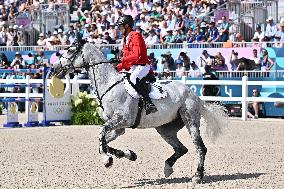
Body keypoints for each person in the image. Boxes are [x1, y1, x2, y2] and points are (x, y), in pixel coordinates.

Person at [115, 15, 157, 115]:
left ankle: (148, 103)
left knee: (133, 78)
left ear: (126, 26)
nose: (119, 29)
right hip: (133, 67)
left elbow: (136, 55)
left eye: (120, 26)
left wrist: (121, 59)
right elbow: (126, 60)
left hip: (142, 65)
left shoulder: (136, 35)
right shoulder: (125, 39)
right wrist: (116, 67)